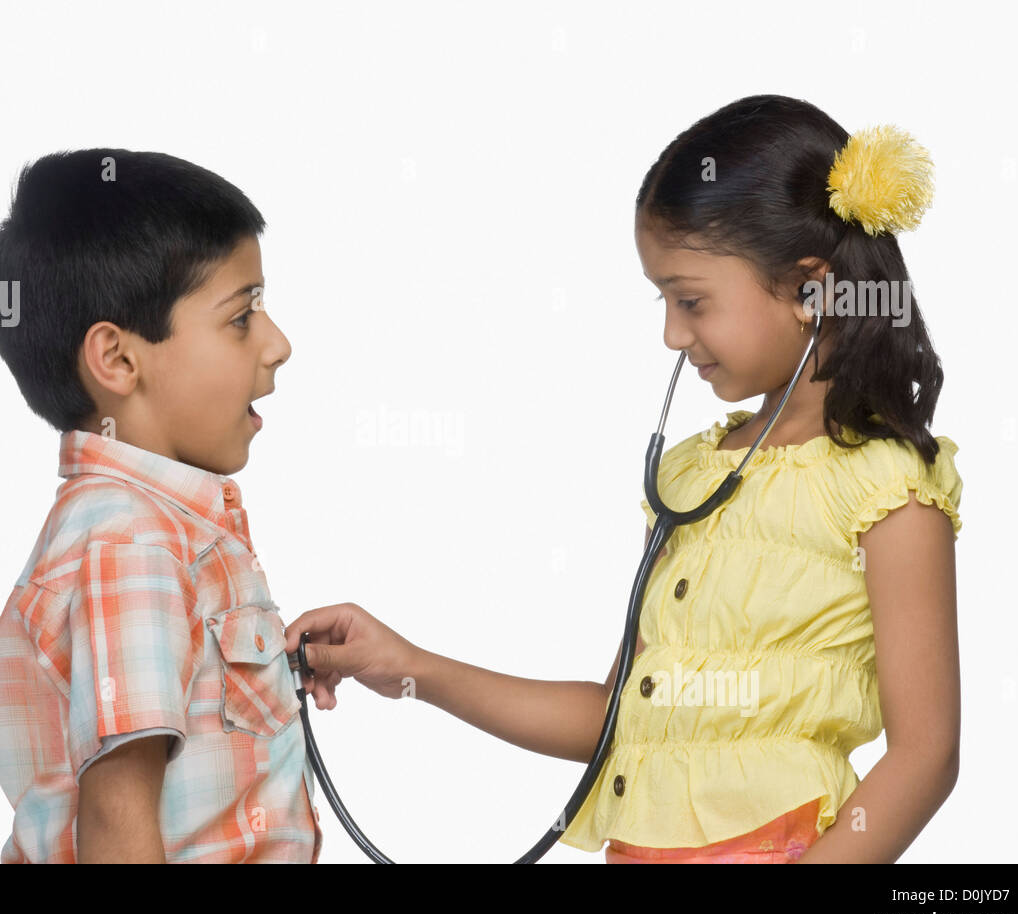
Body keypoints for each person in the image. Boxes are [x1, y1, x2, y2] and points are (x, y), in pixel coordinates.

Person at [284, 95, 963, 863]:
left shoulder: (889, 488)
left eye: (692, 300)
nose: (673, 334)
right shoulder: (689, 479)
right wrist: (411, 668)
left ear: (811, 289)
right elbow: (616, 718)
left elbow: (926, 756)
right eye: (664, 300)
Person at [0, 149, 320, 862]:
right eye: (241, 316)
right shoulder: (131, 540)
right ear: (118, 360)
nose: (278, 344)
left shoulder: (154, 531)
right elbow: (116, 822)